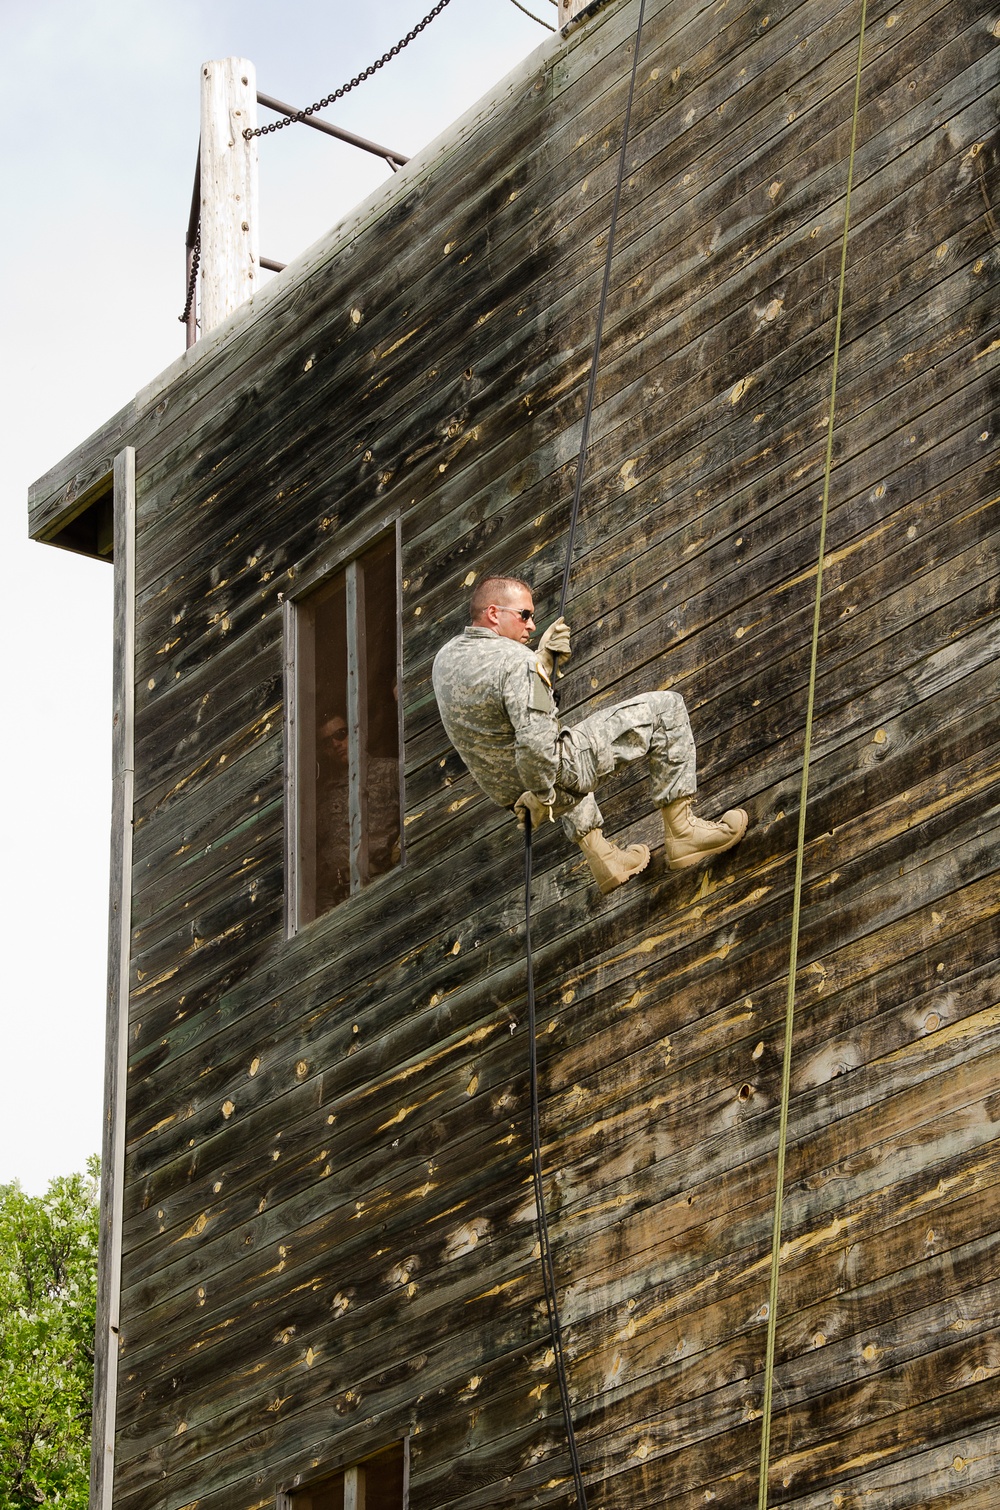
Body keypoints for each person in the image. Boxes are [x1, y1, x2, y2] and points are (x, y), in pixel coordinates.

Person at [431, 574, 748, 895]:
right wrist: (539, 671)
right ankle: (683, 833)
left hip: (510, 791)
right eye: (524, 615)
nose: (532, 626)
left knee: (562, 742)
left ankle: (604, 857)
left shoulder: (446, 659)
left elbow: (497, 718)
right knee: (666, 708)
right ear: (494, 613)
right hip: (543, 781)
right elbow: (537, 744)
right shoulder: (520, 664)